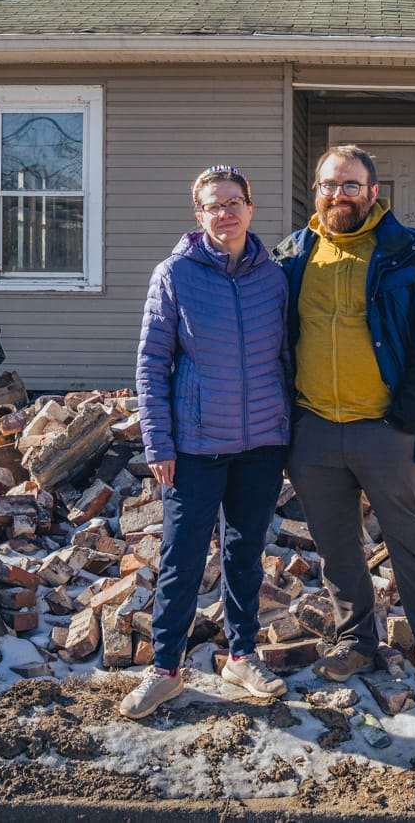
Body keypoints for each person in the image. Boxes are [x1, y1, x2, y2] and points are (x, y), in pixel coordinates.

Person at [273, 145, 415, 700]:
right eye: (329, 185)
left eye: (350, 186)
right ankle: (356, 642)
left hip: (384, 429)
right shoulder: (292, 255)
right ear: (315, 190)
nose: (338, 195)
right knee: (338, 547)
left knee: (413, 542)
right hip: (313, 429)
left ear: (372, 192)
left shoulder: (407, 254)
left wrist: (407, 418)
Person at [121, 165, 292, 720]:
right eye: (214, 205)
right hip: (194, 447)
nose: (227, 212)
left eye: (235, 201)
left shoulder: (274, 277)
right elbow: (151, 365)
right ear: (200, 216)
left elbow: (286, 359)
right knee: (182, 559)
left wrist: (288, 432)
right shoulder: (175, 274)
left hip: (262, 443)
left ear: (251, 207)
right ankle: (166, 669)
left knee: (245, 556)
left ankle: (242, 655)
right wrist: (158, 444)